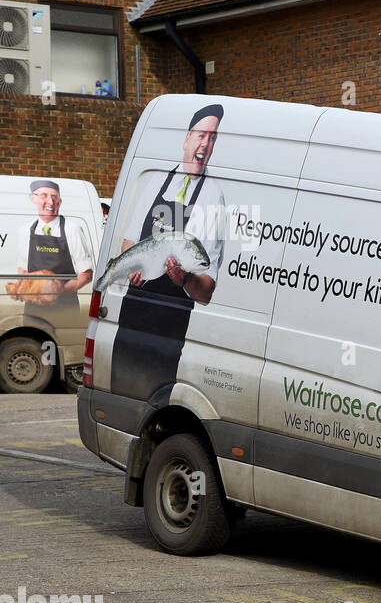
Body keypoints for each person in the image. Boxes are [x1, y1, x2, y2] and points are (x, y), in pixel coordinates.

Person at [111, 103, 228, 402]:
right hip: (133, 314)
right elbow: (128, 244)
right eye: (201, 135)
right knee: (119, 393)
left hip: (169, 325)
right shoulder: (154, 182)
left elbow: (205, 292)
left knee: (153, 404)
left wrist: (185, 277)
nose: (206, 144)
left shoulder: (213, 197)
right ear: (187, 139)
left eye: (212, 138)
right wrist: (135, 271)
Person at [12, 179, 95, 309]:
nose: (50, 202)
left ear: (60, 202)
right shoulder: (24, 231)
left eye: (54, 197)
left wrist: (58, 292)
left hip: (65, 309)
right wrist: (25, 291)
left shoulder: (72, 229)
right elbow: (23, 271)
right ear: (33, 198)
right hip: (34, 309)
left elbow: (86, 275)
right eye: (44, 196)